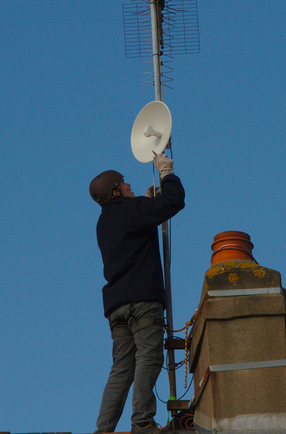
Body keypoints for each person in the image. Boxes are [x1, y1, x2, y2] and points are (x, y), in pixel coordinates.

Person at [89, 152, 185, 434]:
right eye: (124, 183)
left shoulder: (103, 223)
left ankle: (103, 429)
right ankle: (142, 422)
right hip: (143, 301)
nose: (129, 185)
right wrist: (167, 173)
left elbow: (137, 225)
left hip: (116, 307)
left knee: (122, 368)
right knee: (149, 357)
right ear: (116, 191)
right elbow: (174, 201)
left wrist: (147, 205)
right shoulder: (131, 210)